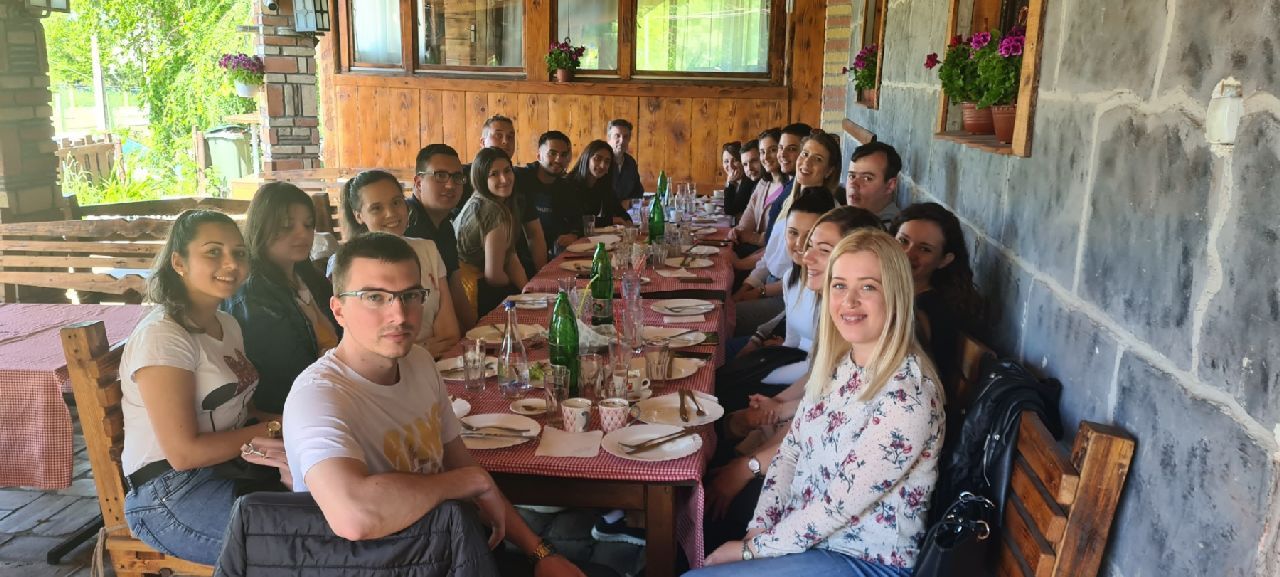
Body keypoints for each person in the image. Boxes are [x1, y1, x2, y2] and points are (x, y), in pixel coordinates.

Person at [282, 232, 589, 577]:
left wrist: (540, 553)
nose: (399, 314)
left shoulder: (419, 362)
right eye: (375, 297)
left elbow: (461, 463)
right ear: (338, 309)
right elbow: (355, 517)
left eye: (410, 295)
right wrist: (463, 482)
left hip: (448, 551)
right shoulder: (317, 395)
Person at [691, 229, 945, 576]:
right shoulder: (840, 365)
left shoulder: (908, 397)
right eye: (839, 285)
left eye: (868, 287)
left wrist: (752, 551)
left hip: (865, 560)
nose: (849, 301)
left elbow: (837, 506)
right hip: (812, 540)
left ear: (896, 295)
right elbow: (791, 450)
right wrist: (758, 528)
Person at [704, 206, 884, 553]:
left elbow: (837, 494)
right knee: (721, 445)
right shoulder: (844, 330)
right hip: (805, 469)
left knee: (719, 497)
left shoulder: (889, 369)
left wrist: (751, 547)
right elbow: (813, 409)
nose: (805, 255)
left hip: (850, 539)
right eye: (807, 243)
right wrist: (773, 413)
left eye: (823, 249)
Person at [120, 210, 287, 565]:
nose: (231, 263)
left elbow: (242, 409)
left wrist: (298, 422)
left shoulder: (226, 323)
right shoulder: (164, 337)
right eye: (213, 252)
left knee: (329, 501)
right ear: (178, 262)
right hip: (169, 495)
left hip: (229, 466)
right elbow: (184, 454)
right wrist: (273, 427)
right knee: (300, 544)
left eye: (239, 253)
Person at [225, 182, 339, 416]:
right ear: (261, 228)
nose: (303, 234)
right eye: (287, 226)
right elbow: (287, 376)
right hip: (294, 410)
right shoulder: (252, 296)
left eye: (308, 225)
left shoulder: (311, 279)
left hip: (332, 393)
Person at [338, 169, 462, 357]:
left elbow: (449, 335)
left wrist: (417, 353)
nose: (391, 214)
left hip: (439, 362)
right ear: (359, 216)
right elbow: (364, 345)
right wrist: (420, 352)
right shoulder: (351, 264)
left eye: (396, 202)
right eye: (376, 208)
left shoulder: (427, 249)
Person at [732, 128, 838, 338]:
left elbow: (804, 278)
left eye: (817, 159)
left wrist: (759, 292)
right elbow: (771, 253)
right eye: (805, 154)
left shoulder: (827, 214)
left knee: (729, 317)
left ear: (829, 171)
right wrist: (748, 286)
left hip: (789, 295)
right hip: (770, 283)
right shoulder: (791, 198)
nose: (806, 163)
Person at [889, 203, 985, 389]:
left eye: (924, 249)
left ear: (944, 260)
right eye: (903, 241)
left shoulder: (927, 310)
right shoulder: (894, 294)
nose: (908, 254)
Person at [404, 143, 477, 329]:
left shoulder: (445, 225)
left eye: (457, 177)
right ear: (418, 183)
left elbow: (455, 286)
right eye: (440, 176)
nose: (451, 185)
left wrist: (475, 331)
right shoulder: (407, 224)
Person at [455, 147, 528, 316]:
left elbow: (510, 255)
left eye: (507, 171)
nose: (504, 179)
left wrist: (528, 291)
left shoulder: (482, 199)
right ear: (482, 178)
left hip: (469, 284)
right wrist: (517, 290)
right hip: (472, 290)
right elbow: (494, 276)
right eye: (494, 174)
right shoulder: (493, 212)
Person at [516, 130, 582, 261]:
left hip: (552, 254)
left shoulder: (566, 187)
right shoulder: (520, 178)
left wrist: (573, 235)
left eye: (563, 155)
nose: (558, 159)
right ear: (539, 156)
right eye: (552, 153)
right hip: (519, 254)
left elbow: (578, 221)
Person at [730, 129, 784, 263]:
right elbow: (746, 221)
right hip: (754, 255)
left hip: (770, 261)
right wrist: (737, 231)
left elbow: (778, 240)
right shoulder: (763, 184)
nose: (766, 157)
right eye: (762, 152)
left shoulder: (790, 189)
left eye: (773, 150)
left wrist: (752, 238)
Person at [566, 139, 629, 226]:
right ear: (587, 158)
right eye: (597, 159)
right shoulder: (569, 184)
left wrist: (628, 222)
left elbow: (621, 212)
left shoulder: (604, 186)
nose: (602, 165)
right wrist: (611, 221)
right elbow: (577, 221)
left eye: (607, 162)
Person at [846, 141, 903, 225]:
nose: (853, 184)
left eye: (867, 178)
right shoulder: (849, 217)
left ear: (890, 186)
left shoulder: (889, 230)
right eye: (852, 176)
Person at [726, 139, 762, 220]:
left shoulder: (751, 182)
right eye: (745, 164)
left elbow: (731, 210)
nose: (749, 168)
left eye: (754, 161)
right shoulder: (753, 181)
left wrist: (730, 183)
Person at [608, 118, 643, 203]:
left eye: (625, 137)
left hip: (627, 210)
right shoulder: (601, 162)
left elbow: (638, 192)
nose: (622, 141)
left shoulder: (631, 162)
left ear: (629, 139)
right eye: (617, 136)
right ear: (609, 138)